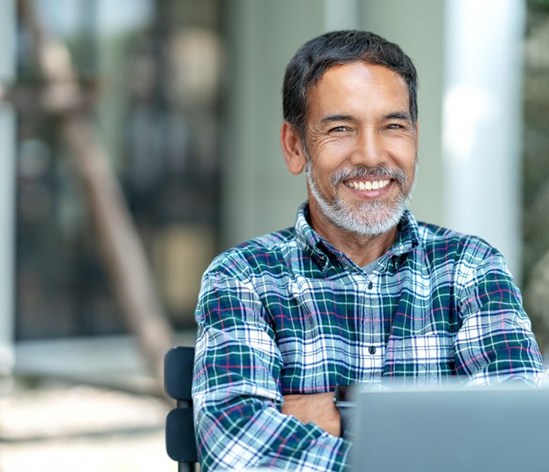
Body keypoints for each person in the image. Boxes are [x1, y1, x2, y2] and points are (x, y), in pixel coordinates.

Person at [191, 30, 544, 471]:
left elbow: (515, 437)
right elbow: (237, 447)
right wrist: (434, 445)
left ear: (415, 137)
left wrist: (341, 411)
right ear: (295, 146)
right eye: (341, 129)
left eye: (393, 126)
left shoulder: (470, 268)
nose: (371, 155)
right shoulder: (243, 277)